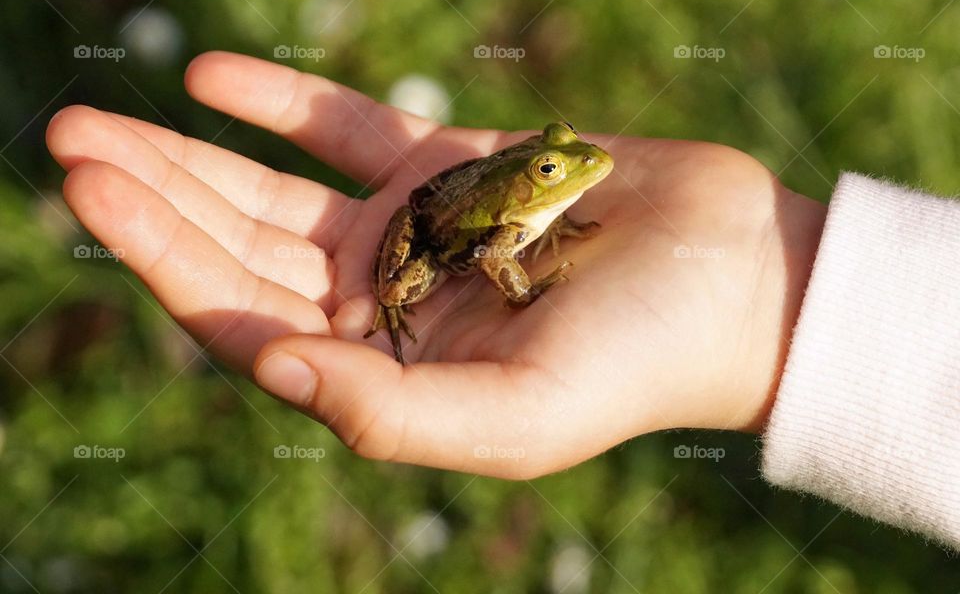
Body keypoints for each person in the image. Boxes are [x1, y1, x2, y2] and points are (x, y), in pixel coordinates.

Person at [45, 51, 960, 550]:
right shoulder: (507, 225)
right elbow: (490, 254)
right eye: (557, 164)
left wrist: (766, 278)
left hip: (466, 196)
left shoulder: (546, 192)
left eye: (559, 160)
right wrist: (524, 285)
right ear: (535, 175)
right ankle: (400, 304)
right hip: (438, 234)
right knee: (399, 283)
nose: (580, 168)